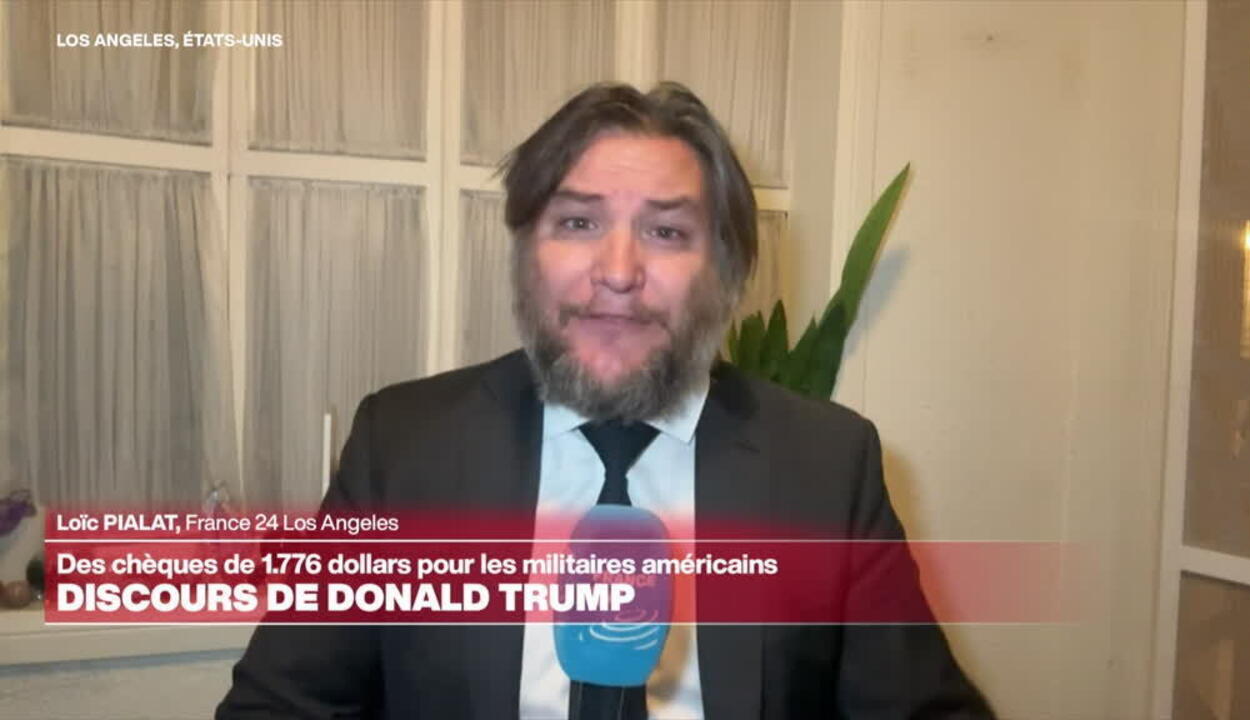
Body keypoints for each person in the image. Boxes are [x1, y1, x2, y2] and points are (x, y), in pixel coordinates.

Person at [218, 82, 993, 719]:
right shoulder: (404, 447)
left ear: (725, 274)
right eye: (579, 222)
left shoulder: (827, 466)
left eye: (666, 232)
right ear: (526, 255)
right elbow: (279, 708)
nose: (618, 272)